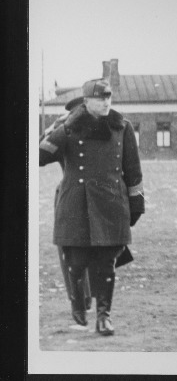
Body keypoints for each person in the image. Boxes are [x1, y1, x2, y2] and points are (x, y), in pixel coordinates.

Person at [38, 79, 145, 336]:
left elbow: (133, 169)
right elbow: (39, 157)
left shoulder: (122, 127)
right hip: (76, 201)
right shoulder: (69, 128)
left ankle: (104, 316)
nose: (106, 102)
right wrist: (62, 126)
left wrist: (136, 204)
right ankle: (78, 304)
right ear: (86, 102)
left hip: (111, 201)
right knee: (77, 261)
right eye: (100, 98)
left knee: (106, 262)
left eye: (109, 97)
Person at [40, 96, 94, 315]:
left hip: (98, 198)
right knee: (71, 251)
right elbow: (39, 155)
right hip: (70, 198)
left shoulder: (101, 133)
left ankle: (89, 296)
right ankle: (78, 298)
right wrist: (56, 127)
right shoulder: (65, 135)